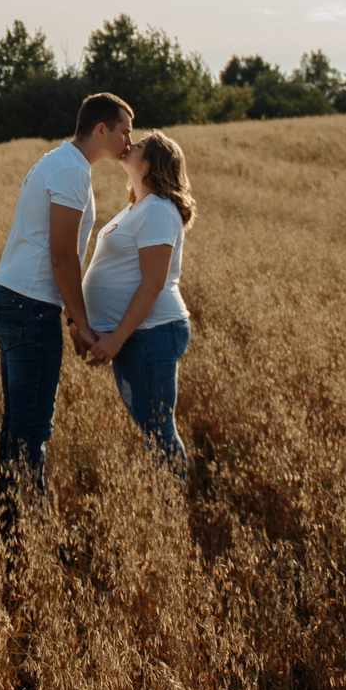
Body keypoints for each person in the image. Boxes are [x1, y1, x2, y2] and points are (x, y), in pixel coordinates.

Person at [0, 91, 133, 501]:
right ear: (101, 130)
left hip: (13, 298)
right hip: (27, 306)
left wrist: (70, 318)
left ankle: (9, 525)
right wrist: (81, 323)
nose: (129, 142)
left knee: (19, 423)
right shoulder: (71, 171)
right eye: (124, 132)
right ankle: (22, 534)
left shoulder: (58, 161)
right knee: (32, 428)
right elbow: (62, 254)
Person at [80, 129, 195, 476]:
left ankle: (172, 507)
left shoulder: (158, 210)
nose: (130, 145)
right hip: (138, 335)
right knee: (151, 427)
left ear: (152, 163)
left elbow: (153, 282)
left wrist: (116, 338)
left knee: (158, 430)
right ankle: (167, 499)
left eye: (140, 144)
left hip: (151, 332)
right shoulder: (139, 207)